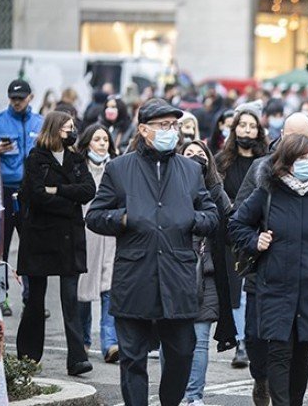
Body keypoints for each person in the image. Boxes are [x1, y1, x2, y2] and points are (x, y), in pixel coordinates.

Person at [85, 98, 219, 406]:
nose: (171, 131)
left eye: (174, 125)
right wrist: (124, 218)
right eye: (163, 125)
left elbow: (211, 215)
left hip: (178, 278)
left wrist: (191, 218)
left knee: (182, 352)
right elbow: (94, 216)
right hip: (135, 277)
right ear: (144, 129)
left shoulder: (189, 170)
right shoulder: (119, 168)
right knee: (132, 358)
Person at [228, 134, 308, 406]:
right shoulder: (267, 193)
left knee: (302, 353)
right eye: (301, 158)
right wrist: (255, 241)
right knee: (278, 352)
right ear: (285, 162)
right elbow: (236, 224)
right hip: (274, 286)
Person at [230, 112, 308, 406]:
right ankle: (261, 377)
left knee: (297, 345)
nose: (297, 143)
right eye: (292, 136)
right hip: (262, 271)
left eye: (304, 137)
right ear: (281, 135)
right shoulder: (261, 169)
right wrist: (256, 240)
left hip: (303, 276)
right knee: (256, 339)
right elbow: (238, 215)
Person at [16, 111, 95, 376]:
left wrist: (58, 190)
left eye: (73, 127)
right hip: (40, 236)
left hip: (69, 238)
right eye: (67, 128)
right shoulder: (37, 159)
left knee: (70, 300)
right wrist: (68, 201)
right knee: (36, 299)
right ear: (54, 130)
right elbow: (35, 195)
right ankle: (28, 356)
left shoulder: (75, 158)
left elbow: (88, 190)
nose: (71, 132)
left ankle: (76, 358)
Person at [171, 140, 237, 405]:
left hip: (208, 275)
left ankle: (193, 396)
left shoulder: (216, 191)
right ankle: (173, 393)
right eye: (189, 154)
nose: (196, 158)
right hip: (174, 273)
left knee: (199, 341)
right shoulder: (169, 188)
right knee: (172, 341)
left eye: (201, 155)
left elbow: (232, 224)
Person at [0, 79, 44, 317]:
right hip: (5, 191)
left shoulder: (40, 122)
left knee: (31, 245)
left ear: (30, 97)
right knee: (2, 247)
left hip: (31, 192)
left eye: (21, 98)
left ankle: (32, 297)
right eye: (13, 99)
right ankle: (2, 297)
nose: (17, 102)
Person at [215, 100, 267, 369]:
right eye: (242, 125)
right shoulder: (222, 161)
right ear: (234, 129)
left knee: (252, 290)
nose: (247, 131)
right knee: (236, 290)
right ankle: (240, 342)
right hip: (230, 231)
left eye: (252, 126)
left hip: (261, 231)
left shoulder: (266, 162)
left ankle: (251, 338)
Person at [76, 125, 119, 363]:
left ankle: (110, 343)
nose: (102, 143)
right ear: (87, 143)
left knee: (109, 290)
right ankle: (83, 340)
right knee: (83, 292)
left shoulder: (116, 168)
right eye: (97, 139)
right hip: (85, 235)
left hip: (111, 235)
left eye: (105, 139)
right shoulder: (79, 168)